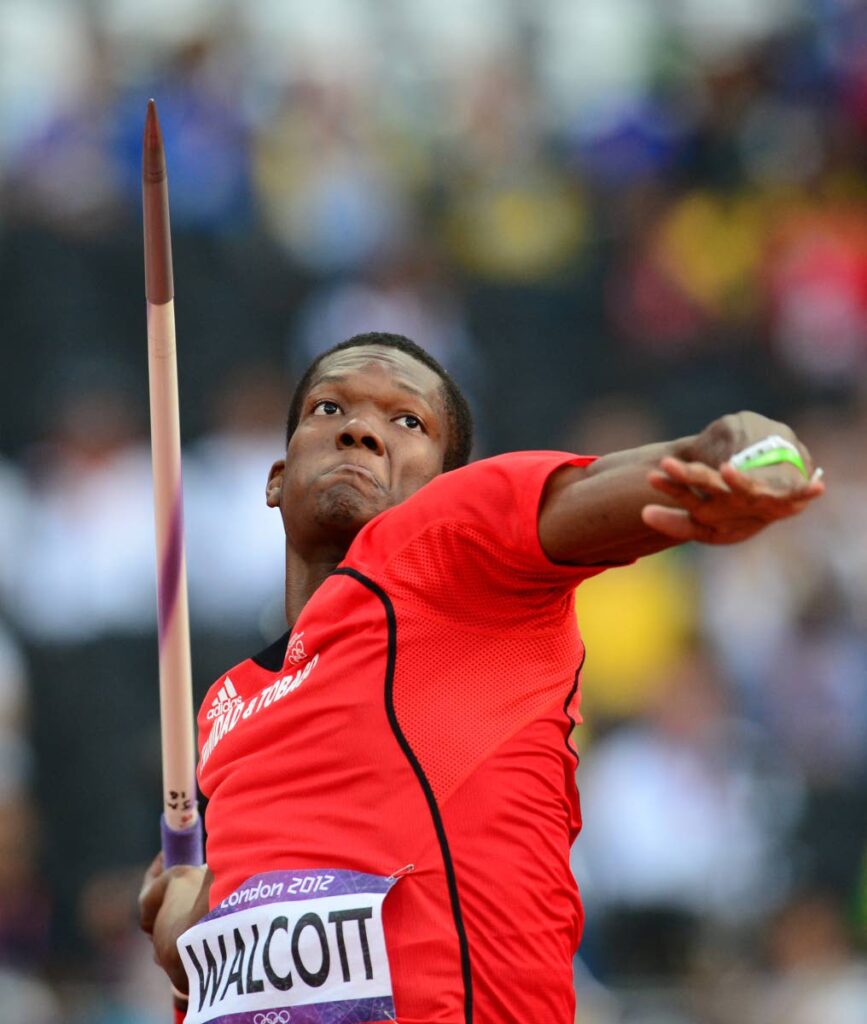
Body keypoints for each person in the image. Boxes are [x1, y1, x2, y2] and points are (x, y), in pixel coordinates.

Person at [139, 331, 824, 1024]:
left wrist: (739, 453)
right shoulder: (228, 701)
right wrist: (183, 919)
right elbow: (258, 921)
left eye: (407, 421)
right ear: (277, 477)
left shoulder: (444, 548)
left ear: (443, 486)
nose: (359, 431)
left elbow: (612, 484)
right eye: (327, 409)